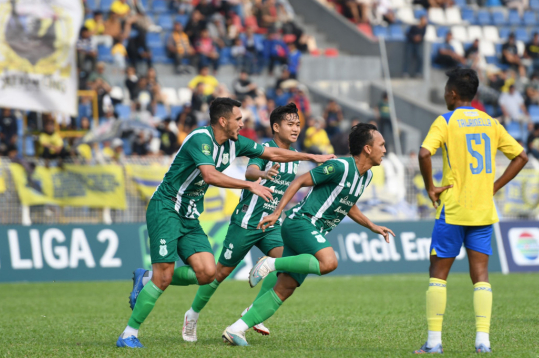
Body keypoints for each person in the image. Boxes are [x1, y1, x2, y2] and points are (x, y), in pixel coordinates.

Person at [116, 98, 334, 348]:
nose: (243, 123)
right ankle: (128, 334)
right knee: (165, 276)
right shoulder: (201, 139)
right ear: (223, 121)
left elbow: (271, 152)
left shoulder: (235, 143)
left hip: (190, 213)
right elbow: (210, 175)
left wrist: (311, 156)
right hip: (166, 207)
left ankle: (146, 279)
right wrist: (250, 183)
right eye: (238, 119)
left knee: (208, 273)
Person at [221, 123, 395, 346]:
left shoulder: (366, 176)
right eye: (381, 145)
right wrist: (277, 212)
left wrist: (372, 226)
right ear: (368, 149)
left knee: (285, 288)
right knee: (329, 262)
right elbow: (300, 181)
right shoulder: (340, 166)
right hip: (301, 222)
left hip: (311, 229)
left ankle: (236, 329)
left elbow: (348, 203)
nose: (385, 149)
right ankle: (271, 263)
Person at [415, 68, 528, 353]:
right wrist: (494, 186)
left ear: (452, 93)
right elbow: (521, 156)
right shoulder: (490, 122)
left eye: (445, 91)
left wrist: (430, 187)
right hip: (482, 210)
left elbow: (424, 153)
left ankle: (433, 342)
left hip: (453, 209)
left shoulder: (446, 121)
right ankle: (483, 342)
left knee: (438, 274)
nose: (444, 95)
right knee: (480, 274)